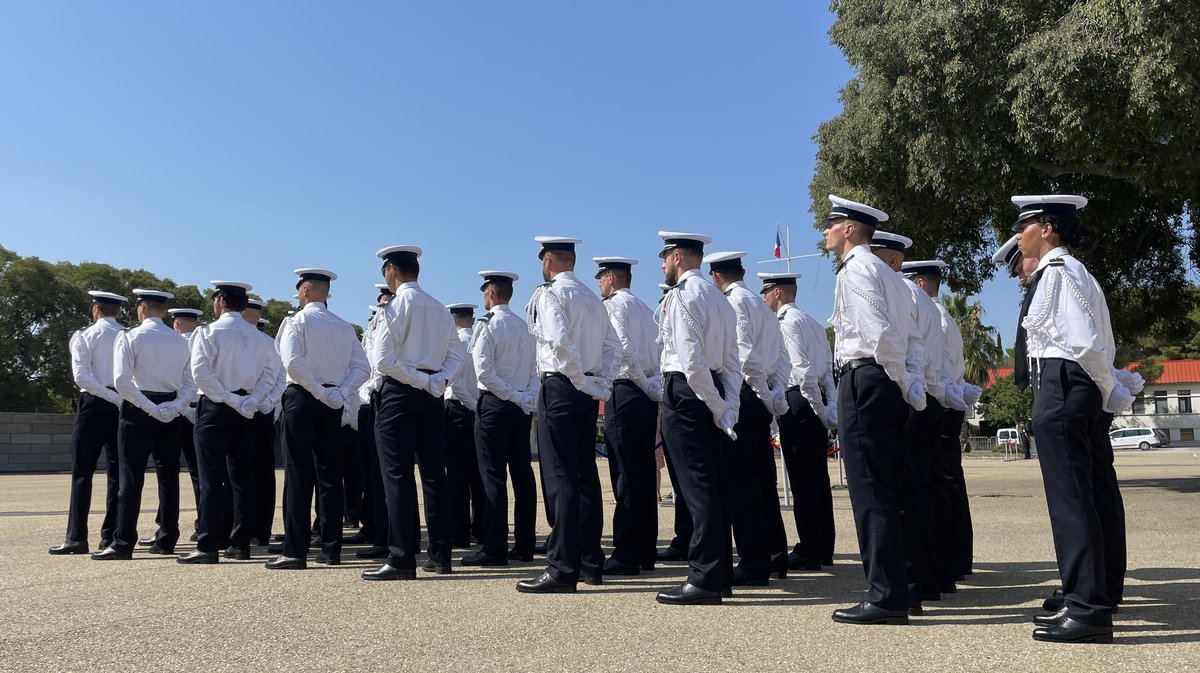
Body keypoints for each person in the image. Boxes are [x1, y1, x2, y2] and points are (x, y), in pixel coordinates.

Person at [1011, 195, 1137, 644]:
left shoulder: (1060, 275)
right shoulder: (1066, 274)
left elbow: (1085, 344)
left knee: (1072, 499)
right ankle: (1093, 593)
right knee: (1087, 494)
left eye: (1023, 224)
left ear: (1047, 228)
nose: (1017, 233)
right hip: (1067, 385)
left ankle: (1087, 607)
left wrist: (1111, 387)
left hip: (1064, 386)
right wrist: (1108, 387)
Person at [822, 195, 926, 625]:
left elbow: (878, 333)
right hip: (886, 380)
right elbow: (912, 336)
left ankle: (885, 595)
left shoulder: (857, 270)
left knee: (870, 489)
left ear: (849, 230)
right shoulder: (888, 274)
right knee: (892, 486)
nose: (824, 231)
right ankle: (903, 587)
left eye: (830, 224)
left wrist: (899, 377)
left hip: (867, 375)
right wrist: (909, 382)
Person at [516, 236, 618, 594]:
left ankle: (562, 567)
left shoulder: (550, 295)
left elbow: (558, 341)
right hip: (587, 389)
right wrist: (598, 383)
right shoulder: (593, 298)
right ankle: (591, 561)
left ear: (547, 261)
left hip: (562, 385)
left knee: (560, 476)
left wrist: (577, 379)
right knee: (585, 475)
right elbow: (612, 346)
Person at [362, 246, 462, 581]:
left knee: (398, 476)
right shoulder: (438, 308)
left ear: (391, 269)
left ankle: (403, 557)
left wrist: (422, 380)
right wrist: (438, 380)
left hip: (400, 393)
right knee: (435, 474)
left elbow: (383, 361)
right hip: (431, 394)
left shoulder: (394, 307)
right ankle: (440, 554)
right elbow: (456, 354)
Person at [654, 232, 741, 606]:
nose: (662, 266)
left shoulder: (683, 296)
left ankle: (705, 574)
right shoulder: (719, 299)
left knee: (696, 486)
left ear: (677, 257)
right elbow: (733, 360)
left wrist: (717, 405)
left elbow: (690, 361)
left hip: (688, 392)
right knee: (714, 485)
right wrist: (727, 403)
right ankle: (718, 574)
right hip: (713, 388)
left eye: (664, 259)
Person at [267, 269, 369, 570]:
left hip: (303, 397)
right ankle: (330, 548)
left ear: (306, 291)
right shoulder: (343, 327)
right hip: (333, 400)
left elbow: (292, 363)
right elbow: (362, 367)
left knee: (299, 475)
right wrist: (341, 391)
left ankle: (295, 550)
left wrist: (319, 392)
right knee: (330, 476)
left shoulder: (295, 322)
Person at [703, 251, 790, 585]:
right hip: (759, 395)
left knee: (742, 484)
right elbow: (781, 357)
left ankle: (754, 562)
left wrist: (761, 393)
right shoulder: (759, 304)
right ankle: (774, 556)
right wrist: (774, 392)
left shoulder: (733, 304)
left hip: (744, 394)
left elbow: (745, 358)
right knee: (762, 481)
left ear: (715, 277)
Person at [178, 281, 279, 565]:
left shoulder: (207, 333)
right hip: (246, 408)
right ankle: (240, 542)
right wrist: (250, 401)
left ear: (221, 301)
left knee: (211, 475)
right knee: (242, 476)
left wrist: (228, 399)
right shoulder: (263, 339)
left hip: (215, 406)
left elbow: (200, 373)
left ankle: (209, 543)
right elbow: (270, 376)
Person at [93, 289, 195, 560]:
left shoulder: (130, 337)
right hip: (170, 409)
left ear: (141, 308)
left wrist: (149, 408)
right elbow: (190, 382)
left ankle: (124, 541)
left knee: (131, 478)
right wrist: (174, 407)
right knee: (169, 476)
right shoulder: (180, 342)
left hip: (139, 408)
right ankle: (167, 538)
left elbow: (122, 381)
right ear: (163, 310)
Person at [902, 259, 982, 590]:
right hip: (945, 398)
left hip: (936, 398)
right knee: (945, 483)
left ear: (919, 284)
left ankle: (948, 560)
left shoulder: (932, 315)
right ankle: (954, 559)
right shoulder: (942, 315)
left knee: (938, 484)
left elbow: (936, 365)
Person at [759, 272, 837, 571]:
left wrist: (817, 407)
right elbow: (826, 371)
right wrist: (826, 408)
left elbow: (801, 371)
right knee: (817, 479)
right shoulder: (813, 323)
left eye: (765, 292)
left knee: (804, 479)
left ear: (777, 293)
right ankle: (823, 545)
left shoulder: (786, 323)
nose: (763, 298)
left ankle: (810, 549)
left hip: (799, 400)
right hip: (813, 400)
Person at [462, 271, 540, 566]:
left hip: (497, 405)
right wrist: (524, 397)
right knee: (522, 476)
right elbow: (534, 371)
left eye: (485, 292)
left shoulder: (488, 325)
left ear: (491, 293)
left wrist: (511, 396)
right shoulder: (524, 327)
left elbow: (483, 372)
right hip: (519, 407)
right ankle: (524, 545)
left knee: (492, 476)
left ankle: (494, 547)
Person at [593, 256, 662, 576]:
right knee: (644, 473)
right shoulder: (646, 309)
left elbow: (622, 349)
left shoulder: (614, 307)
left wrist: (641, 380)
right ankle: (645, 547)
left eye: (601, 278)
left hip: (627, 389)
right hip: (646, 394)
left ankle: (627, 551)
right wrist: (651, 384)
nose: (599, 284)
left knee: (626, 475)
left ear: (611, 278)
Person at [50, 290, 128, 556]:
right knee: (118, 473)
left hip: (94, 403)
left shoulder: (84, 335)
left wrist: (107, 397)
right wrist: (118, 399)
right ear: (118, 311)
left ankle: (75, 536)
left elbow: (82, 377)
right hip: (122, 402)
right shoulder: (127, 336)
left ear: (96, 309)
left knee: (82, 471)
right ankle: (111, 536)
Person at [242, 297, 286, 551]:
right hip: (260, 409)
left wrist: (269, 405)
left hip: (248, 409)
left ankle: (251, 529)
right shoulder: (268, 343)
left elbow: (281, 378)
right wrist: (269, 404)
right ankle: (257, 529)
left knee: (250, 471)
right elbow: (280, 380)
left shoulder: (269, 344)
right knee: (257, 472)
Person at [443, 302, 485, 549]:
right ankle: (481, 528)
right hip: (481, 407)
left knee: (457, 476)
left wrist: (470, 405)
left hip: (459, 409)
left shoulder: (456, 343)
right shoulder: (479, 338)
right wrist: (478, 406)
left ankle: (459, 533)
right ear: (471, 317)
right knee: (479, 474)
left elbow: (454, 381)